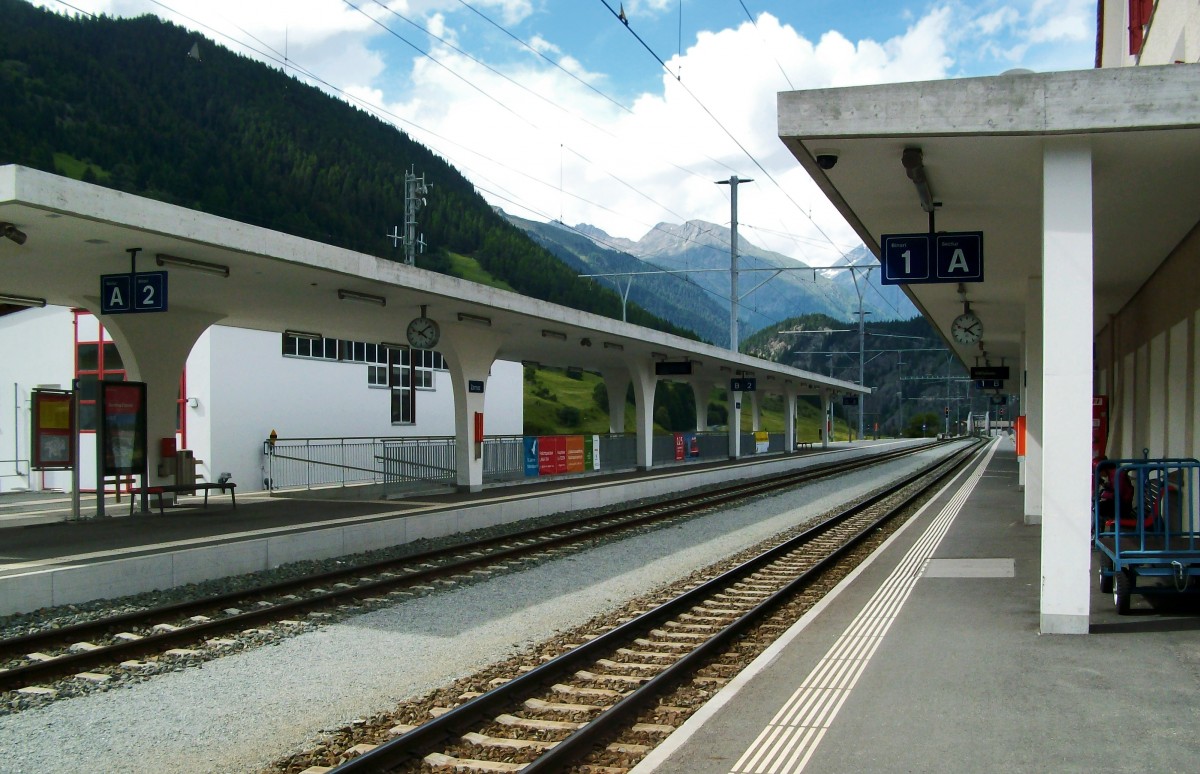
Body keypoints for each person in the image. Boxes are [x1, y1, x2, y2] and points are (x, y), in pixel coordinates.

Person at [1095, 457, 1135, 525]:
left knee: (1098, 508)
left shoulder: (1117, 474)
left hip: (1124, 506)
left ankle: (1101, 529)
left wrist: (1103, 494)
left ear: (1103, 469)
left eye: (1098, 472)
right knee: (1099, 506)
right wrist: (1106, 486)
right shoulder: (1113, 474)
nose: (1100, 475)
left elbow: (1117, 494)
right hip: (1121, 503)